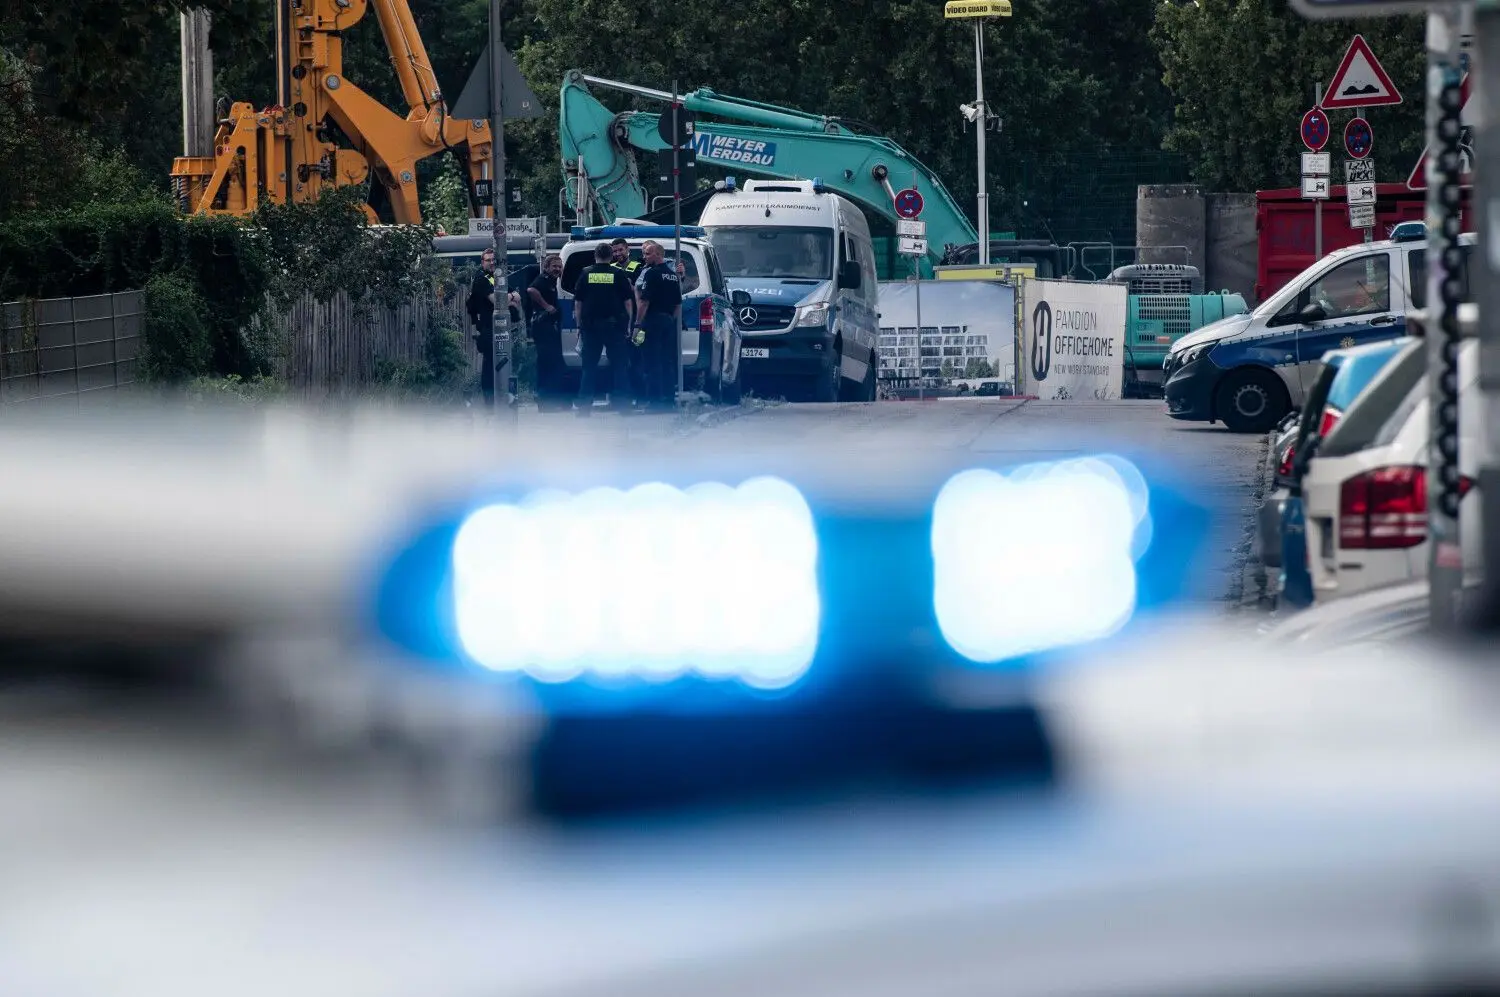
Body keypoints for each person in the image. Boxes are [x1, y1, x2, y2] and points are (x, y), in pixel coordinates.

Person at [572, 242, 636, 416]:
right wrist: (629, 325)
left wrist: (579, 325)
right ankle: (623, 406)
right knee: (620, 366)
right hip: (615, 326)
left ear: (595, 255)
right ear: (611, 256)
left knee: (589, 367)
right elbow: (628, 302)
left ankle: (584, 407)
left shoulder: (585, 273)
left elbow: (578, 303)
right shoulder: (618, 274)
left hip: (591, 327)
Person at [633, 240, 684, 411]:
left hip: (652, 321)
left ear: (658, 254)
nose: (644, 257)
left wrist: (638, 324)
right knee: (667, 361)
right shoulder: (672, 276)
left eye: (647, 253)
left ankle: (654, 401)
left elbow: (644, 302)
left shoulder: (651, 274)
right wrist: (671, 320)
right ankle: (668, 399)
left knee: (651, 361)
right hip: (668, 321)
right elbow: (678, 305)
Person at [527, 254, 566, 411]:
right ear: (547, 267)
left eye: (559, 266)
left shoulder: (551, 281)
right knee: (546, 363)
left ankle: (550, 401)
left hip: (549, 327)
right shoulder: (543, 279)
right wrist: (546, 306)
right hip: (543, 327)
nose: (557, 269)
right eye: (554, 266)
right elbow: (531, 290)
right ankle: (544, 402)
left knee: (553, 363)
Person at [465, 247, 499, 406]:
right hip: (486, 328)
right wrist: (509, 298)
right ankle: (489, 401)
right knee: (489, 365)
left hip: (495, 327)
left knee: (497, 363)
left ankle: (496, 398)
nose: (492, 263)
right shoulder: (481, 279)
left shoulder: (494, 278)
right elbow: (497, 301)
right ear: (482, 262)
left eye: (493, 260)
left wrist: (510, 296)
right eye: (488, 260)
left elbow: (516, 296)